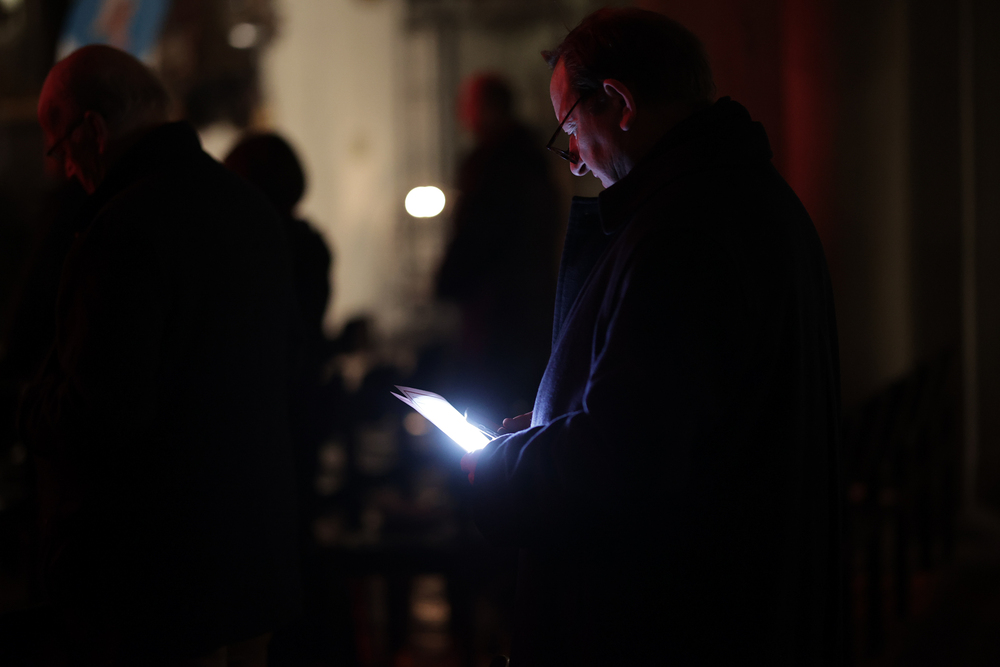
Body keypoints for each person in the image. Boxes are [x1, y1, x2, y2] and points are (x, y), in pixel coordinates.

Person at [461, 8, 843, 666]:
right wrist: (553, 421)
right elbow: (677, 407)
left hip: (676, 619)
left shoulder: (684, 231)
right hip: (737, 599)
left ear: (620, 102)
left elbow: (626, 458)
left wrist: (500, 471)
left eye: (570, 129)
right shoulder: (745, 195)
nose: (574, 161)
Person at [15, 45, 300, 665]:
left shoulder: (122, 226)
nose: (67, 170)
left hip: (155, 573)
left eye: (60, 149)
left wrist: (29, 409)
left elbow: (103, 411)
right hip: (252, 550)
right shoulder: (249, 208)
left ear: (92, 129)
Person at [436, 73, 562, 421]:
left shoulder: (494, 163)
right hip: (530, 305)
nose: (464, 114)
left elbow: (480, 234)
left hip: (496, 310)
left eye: (470, 105)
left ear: (489, 108)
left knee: (482, 409)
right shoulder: (533, 160)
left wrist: (448, 280)